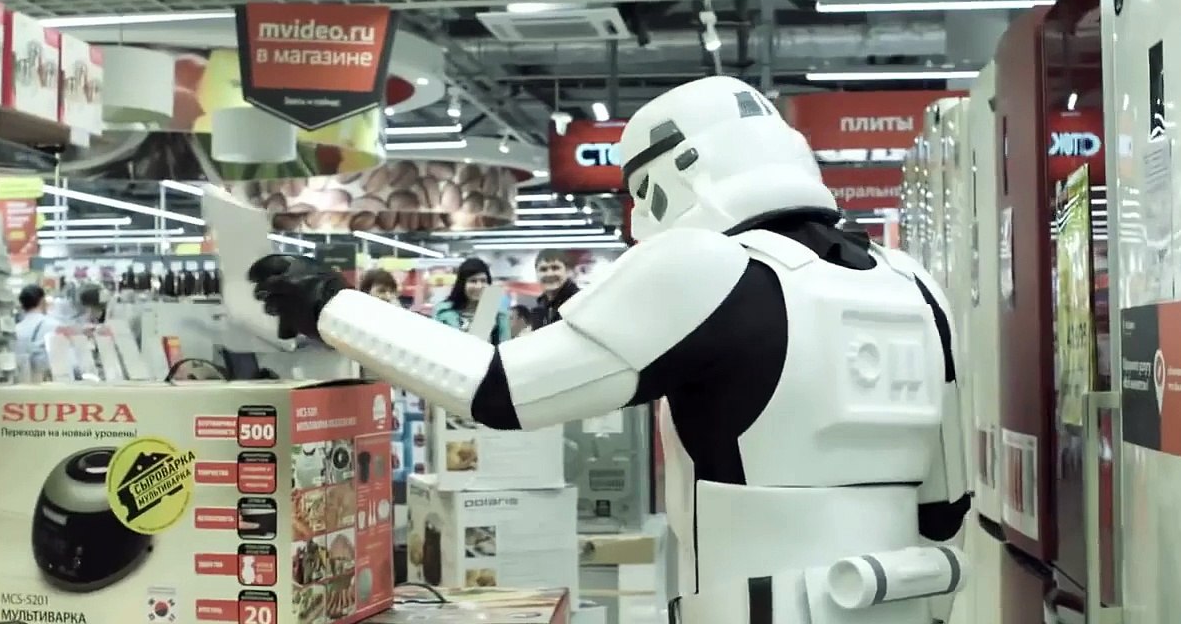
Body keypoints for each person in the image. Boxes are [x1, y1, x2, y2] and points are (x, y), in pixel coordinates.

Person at [249, 76, 970, 624]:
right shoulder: (912, 283)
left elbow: (498, 391)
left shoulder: (707, 267)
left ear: (670, 175)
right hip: (908, 598)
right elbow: (945, 504)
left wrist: (330, 307)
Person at [431, 258, 509, 344]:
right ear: (462, 284)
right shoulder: (442, 312)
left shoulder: (498, 314)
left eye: (483, 281)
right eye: (473, 281)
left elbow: (505, 349)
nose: (479, 286)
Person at [15, 284, 59, 382]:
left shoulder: (16, 329)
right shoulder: (53, 325)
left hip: (22, 381)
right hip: (47, 382)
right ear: (42, 301)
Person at [531, 249, 579, 329]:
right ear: (536, 274)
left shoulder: (579, 302)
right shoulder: (538, 309)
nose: (549, 274)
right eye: (543, 269)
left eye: (555, 268)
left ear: (567, 271)